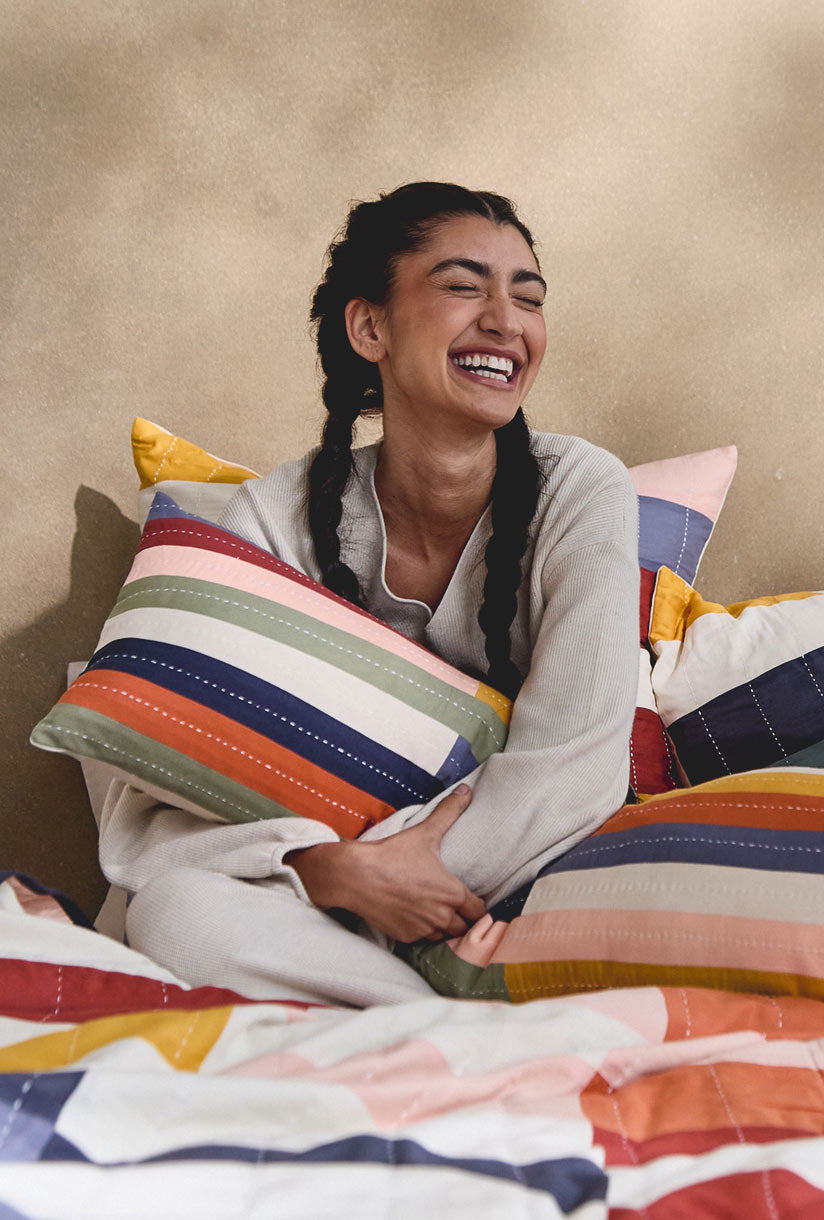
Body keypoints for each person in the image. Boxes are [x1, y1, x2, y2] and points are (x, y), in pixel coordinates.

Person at [98, 182, 639, 1007]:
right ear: (370, 327)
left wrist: (402, 880)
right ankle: (444, 1030)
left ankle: (410, 1011)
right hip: (319, 899)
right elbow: (156, 796)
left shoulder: (583, 490)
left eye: (527, 297)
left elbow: (574, 765)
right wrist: (334, 874)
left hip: (523, 872)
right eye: (464, 286)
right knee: (173, 910)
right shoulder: (273, 519)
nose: (505, 320)